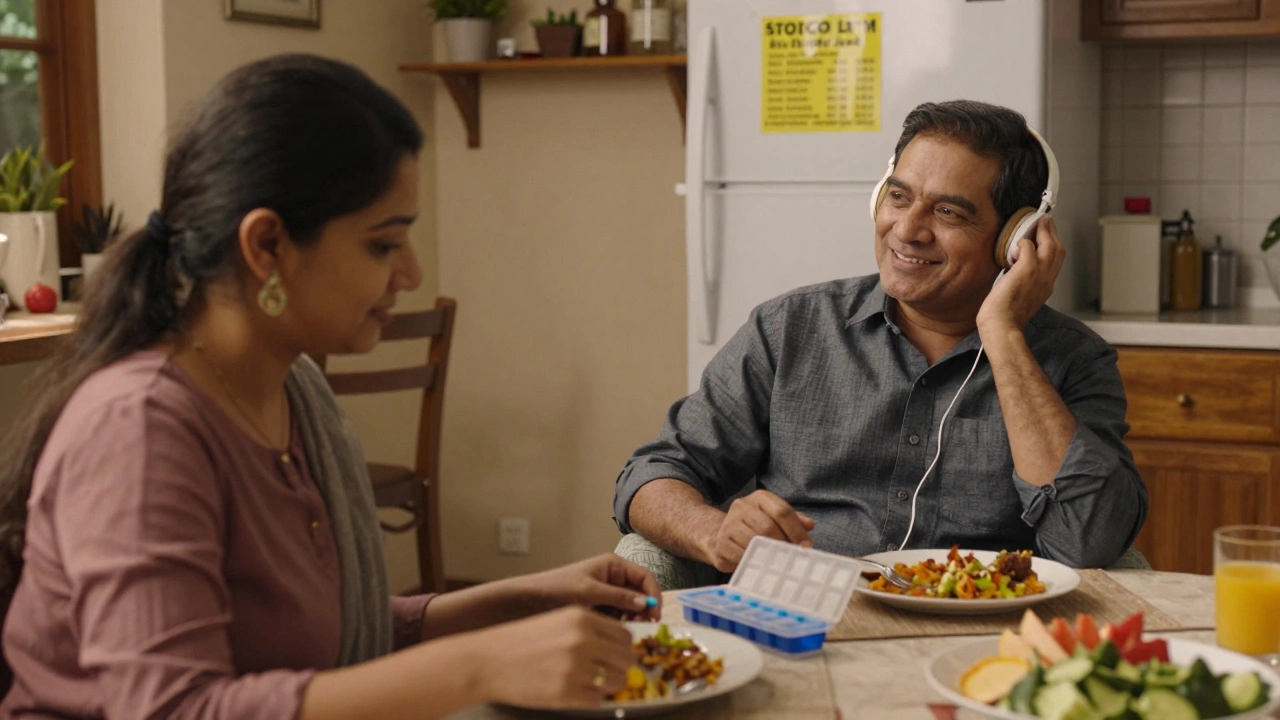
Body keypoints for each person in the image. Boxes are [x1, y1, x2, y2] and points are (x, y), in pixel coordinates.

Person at [0, 54, 660, 719]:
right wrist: (479, 666)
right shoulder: (139, 429)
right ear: (266, 246)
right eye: (383, 244)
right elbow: (175, 708)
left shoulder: (291, 392)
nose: (411, 271)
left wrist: (529, 601)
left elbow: (335, 640)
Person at [613, 100, 1147, 580]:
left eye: (948, 212)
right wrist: (714, 532)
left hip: (983, 636)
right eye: (898, 196)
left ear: (1016, 239)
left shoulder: (1074, 359)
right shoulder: (790, 328)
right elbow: (653, 474)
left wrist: (1004, 335)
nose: (906, 229)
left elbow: (1089, 540)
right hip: (802, 620)